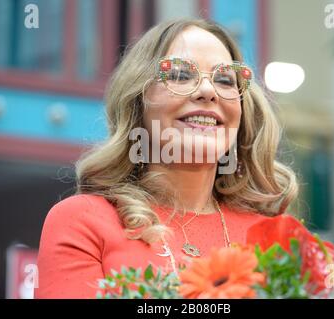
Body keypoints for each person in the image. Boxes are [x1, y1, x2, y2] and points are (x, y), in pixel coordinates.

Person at [35, 18, 299, 299]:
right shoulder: (83, 221)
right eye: (180, 75)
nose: (208, 91)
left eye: (224, 79)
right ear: (138, 101)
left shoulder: (276, 238)